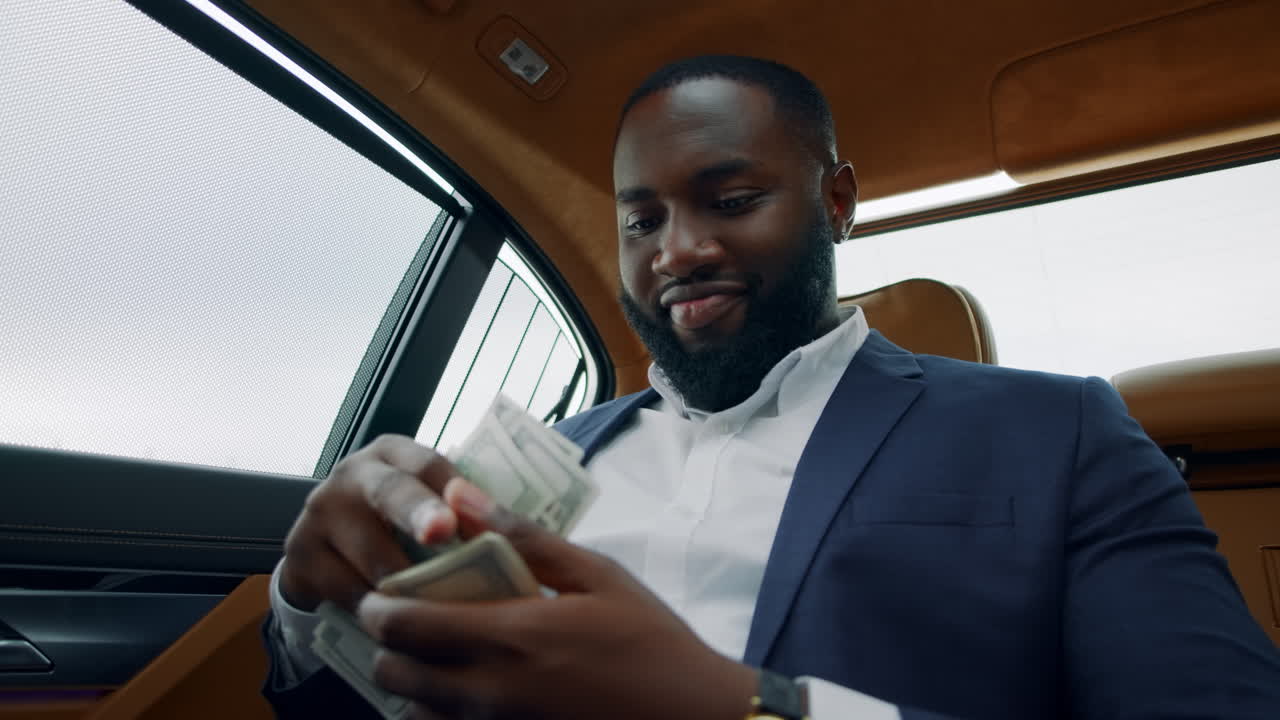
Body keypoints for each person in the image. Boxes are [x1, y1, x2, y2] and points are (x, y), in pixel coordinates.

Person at [261, 55, 1280, 719]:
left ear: (837, 200)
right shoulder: (546, 456)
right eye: (641, 221)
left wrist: (734, 709)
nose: (679, 250)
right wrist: (312, 608)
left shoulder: (1058, 431)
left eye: (730, 199)